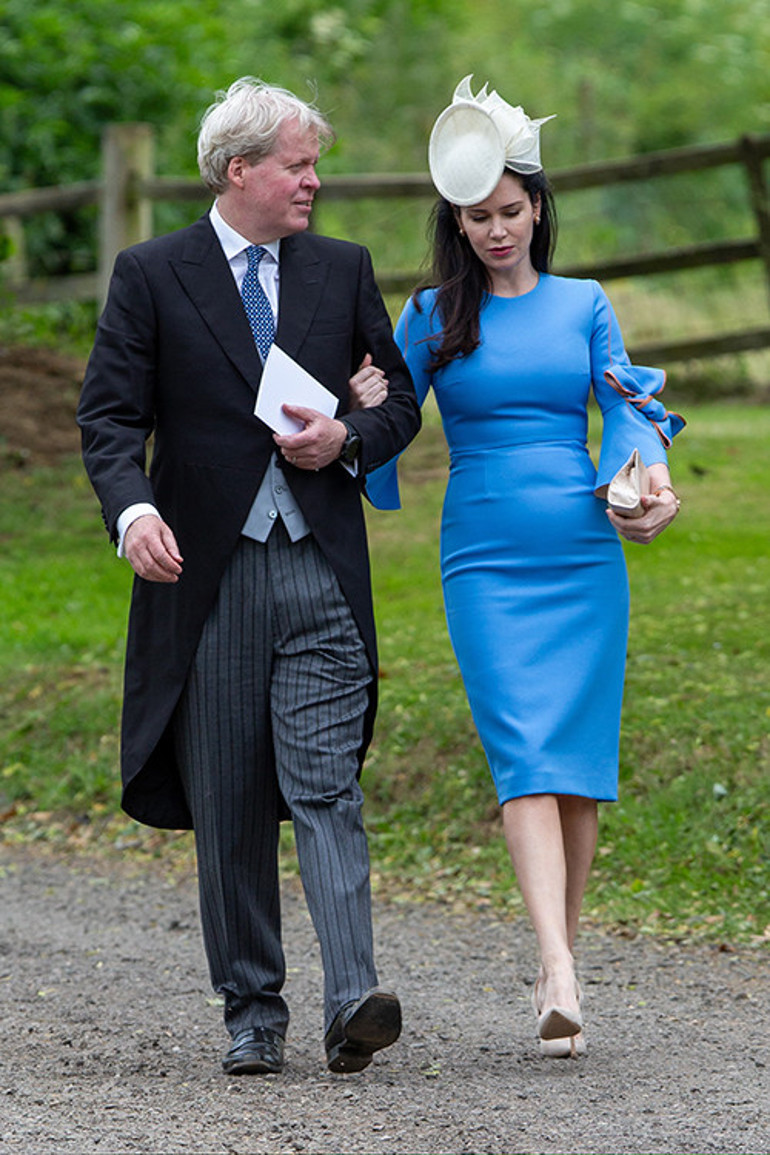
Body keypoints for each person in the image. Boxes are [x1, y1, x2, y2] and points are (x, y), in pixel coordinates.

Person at [77, 77, 421, 1077]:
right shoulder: (151, 273)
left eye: (314, 163)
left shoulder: (341, 268)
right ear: (240, 172)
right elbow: (107, 421)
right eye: (298, 164)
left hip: (318, 571)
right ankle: (252, 1010)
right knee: (227, 801)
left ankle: (351, 997)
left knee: (327, 788)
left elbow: (396, 397)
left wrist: (348, 436)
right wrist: (134, 510)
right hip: (208, 580)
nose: (315, 180)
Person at [362, 76, 685, 1059]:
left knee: (577, 773)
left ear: (536, 208)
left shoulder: (584, 304)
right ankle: (555, 966)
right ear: (454, 222)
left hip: (580, 552)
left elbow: (626, 409)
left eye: (508, 211)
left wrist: (647, 481)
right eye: (475, 216)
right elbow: (387, 416)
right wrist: (360, 400)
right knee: (523, 759)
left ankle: (559, 963)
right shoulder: (428, 313)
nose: (494, 228)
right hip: (486, 559)